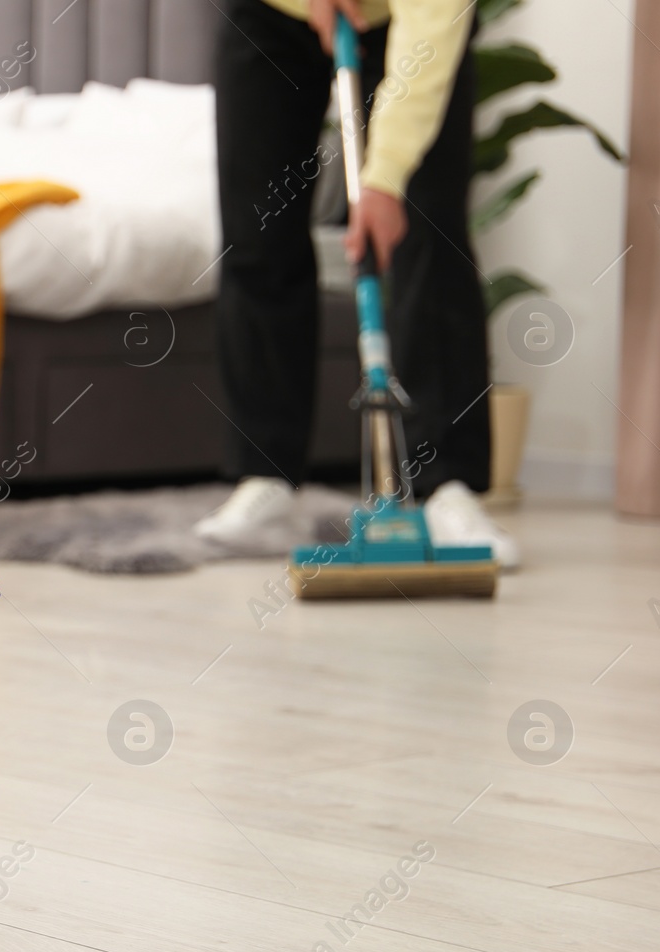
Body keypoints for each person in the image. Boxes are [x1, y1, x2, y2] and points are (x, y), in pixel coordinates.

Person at [194, 0, 518, 567]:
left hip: (404, 18)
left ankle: (446, 487)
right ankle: (264, 474)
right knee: (258, 230)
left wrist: (384, 180)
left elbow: (432, 32)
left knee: (430, 229)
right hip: (273, 13)